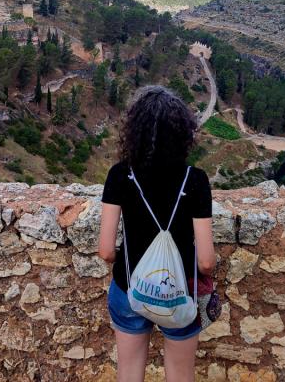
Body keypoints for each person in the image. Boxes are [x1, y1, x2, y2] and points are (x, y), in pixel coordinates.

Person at [98, 85, 216, 382]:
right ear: (183, 132)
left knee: (128, 373)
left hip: (130, 288)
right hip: (180, 291)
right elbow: (206, 262)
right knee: (180, 374)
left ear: (133, 131)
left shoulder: (119, 174)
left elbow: (106, 251)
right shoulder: (195, 180)